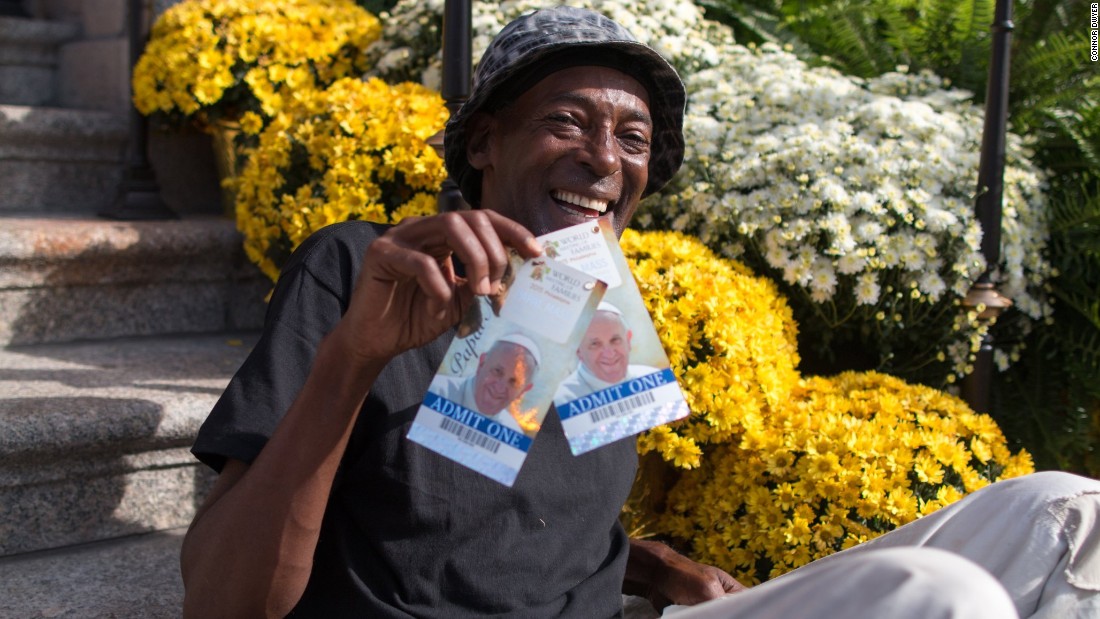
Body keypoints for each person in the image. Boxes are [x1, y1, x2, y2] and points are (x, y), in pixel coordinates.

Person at [180, 6, 1100, 619]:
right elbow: (224, 597)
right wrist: (354, 359)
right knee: (935, 596)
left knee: (1066, 511)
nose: (603, 158)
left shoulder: (595, 304)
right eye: (567, 122)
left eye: (631, 137)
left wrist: (651, 566)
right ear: (483, 143)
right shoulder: (369, 268)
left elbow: (507, 526)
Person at [429, 333, 540, 432]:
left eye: (513, 382)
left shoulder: (512, 434)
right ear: (481, 363)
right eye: (497, 371)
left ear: (523, 392)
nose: (499, 388)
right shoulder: (435, 392)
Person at [556, 301, 661, 403]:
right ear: (578, 351)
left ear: (628, 340)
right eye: (595, 344)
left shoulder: (656, 381)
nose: (609, 354)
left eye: (615, 340)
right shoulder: (561, 401)